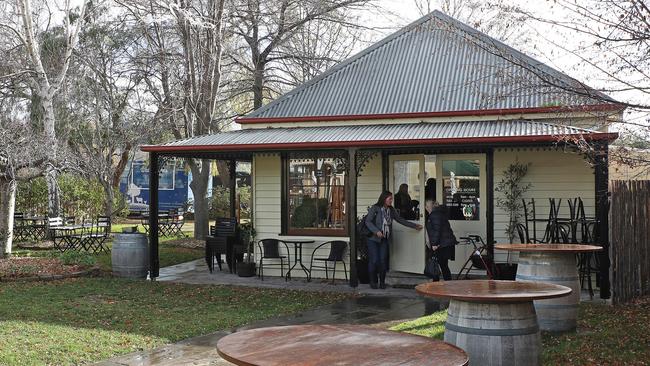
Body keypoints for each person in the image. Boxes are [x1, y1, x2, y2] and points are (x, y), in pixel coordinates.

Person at [365, 191, 423, 289]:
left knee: (383, 260)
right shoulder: (375, 208)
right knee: (374, 260)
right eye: (390, 199)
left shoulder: (391, 210)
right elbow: (368, 221)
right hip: (373, 239)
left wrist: (414, 226)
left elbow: (400, 220)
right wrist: (376, 231)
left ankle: (382, 282)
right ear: (384, 199)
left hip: (384, 238)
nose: (391, 201)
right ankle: (373, 281)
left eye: (392, 199)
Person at [425, 200, 458, 281]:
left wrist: (434, 244)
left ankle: (439, 284)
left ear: (429, 207)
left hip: (441, 244)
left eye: (426, 206)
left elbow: (437, 231)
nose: (426, 208)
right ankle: (440, 284)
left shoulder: (434, 215)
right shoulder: (438, 213)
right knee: (442, 265)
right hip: (444, 243)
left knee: (439, 265)